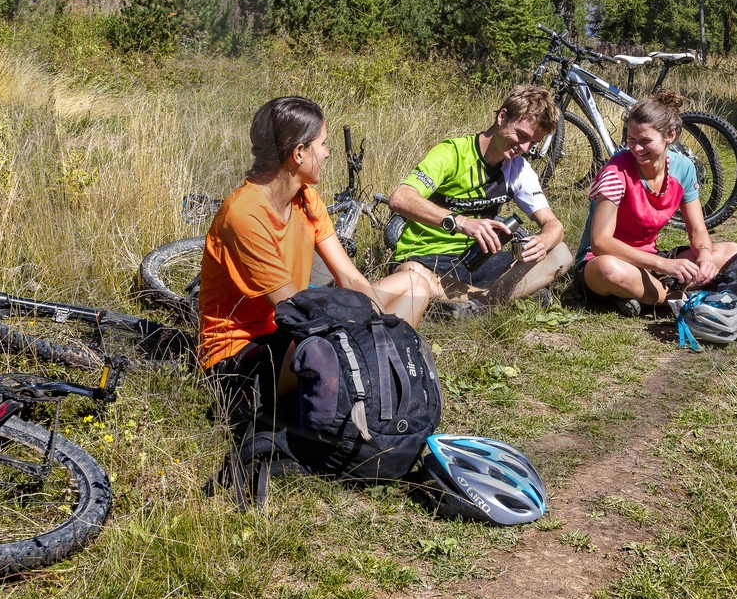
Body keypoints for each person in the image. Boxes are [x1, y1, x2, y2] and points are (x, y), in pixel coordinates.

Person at [199, 97, 434, 382]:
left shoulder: (306, 198)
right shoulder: (244, 214)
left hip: (297, 329)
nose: (327, 153)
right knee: (324, 348)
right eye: (322, 143)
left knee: (414, 284)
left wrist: (380, 324)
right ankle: (371, 375)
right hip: (242, 352)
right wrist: (361, 327)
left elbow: (349, 275)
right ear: (299, 152)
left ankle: (378, 371)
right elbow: (292, 308)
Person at [389, 85, 574, 312]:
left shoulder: (518, 169)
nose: (524, 148)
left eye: (533, 143)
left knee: (560, 253)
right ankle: (497, 298)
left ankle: (473, 303)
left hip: (478, 260)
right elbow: (401, 198)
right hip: (426, 258)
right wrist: (461, 222)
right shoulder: (451, 153)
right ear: (502, 116)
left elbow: (553, 224)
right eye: (521, 135)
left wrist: (543, 242)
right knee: (409, 276)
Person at [572, 91, 737, 314]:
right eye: (631, 140)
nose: (636, 149)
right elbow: (600, 243)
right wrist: (666, 265)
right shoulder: (616, 171)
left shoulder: (683, 168)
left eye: (645, 141)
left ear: (670, 136)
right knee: (609, 270)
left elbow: (698, 229)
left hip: (650, 261)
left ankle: (640, 295)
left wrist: (705, 255)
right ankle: (677, 299)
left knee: (731, 251)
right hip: (604, 262)